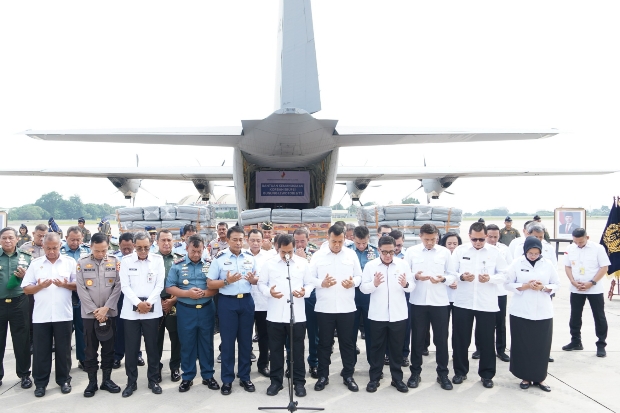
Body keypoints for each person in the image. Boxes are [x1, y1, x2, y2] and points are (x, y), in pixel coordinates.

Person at [450, 222, 508, 389]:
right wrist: (461, 276)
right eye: (474, 239)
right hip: (463, 302)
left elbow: (505, 274)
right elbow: (451, 272)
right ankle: (460, 372)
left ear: (486, 237)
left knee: (487, 340)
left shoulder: (495, 252)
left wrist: (490, 278)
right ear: (469, 236)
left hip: (486, 303)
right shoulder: (461, 251)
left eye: (481, 239)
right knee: (460, 339)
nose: (478, 243)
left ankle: (487, 374)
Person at [21, 232, 77, 397]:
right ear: (42, 246)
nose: (51, 252)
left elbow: (78, 285)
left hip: (63, 314)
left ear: (60, 245)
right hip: (42, 316)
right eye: (48, 248)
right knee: (40, 351)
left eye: (54, 248)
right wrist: (40, 286)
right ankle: (40, 383)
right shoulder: (36, 264)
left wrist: (66, 285)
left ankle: (64, 380)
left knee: (63, 350)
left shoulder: (69, 262)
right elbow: (26, 289)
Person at [259, 235, 314, 397]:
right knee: (275, 351)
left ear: (294, 247)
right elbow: (261, 283)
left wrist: (305, 292)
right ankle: (276, 382)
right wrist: (269, 292)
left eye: (289, 251)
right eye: (283, 252)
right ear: (277, 248)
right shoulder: (269, 264)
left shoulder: (303, 263)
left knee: (297, 350)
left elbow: (310, 283)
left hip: (297, 314)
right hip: (275, 315)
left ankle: (298, 383)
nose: (286, 255)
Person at [310, 224, 362, 393]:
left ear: (345, 239)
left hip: (347, 307)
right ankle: (323, 375)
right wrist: (321, 283)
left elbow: (359, 276)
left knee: (347, 343)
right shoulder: (318, 256)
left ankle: (348, 375)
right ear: (328, 238)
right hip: (325, 308)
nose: (337, 245)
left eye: (340, 241)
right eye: (334, 241)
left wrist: (353, 282)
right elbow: (310, 278)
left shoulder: (351, 254)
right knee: (324, 344)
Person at [207, 226, 258, 395]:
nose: (238, 242)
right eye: (234, 239)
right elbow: (210, 283)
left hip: (246, 302)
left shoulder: (250, 257)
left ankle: (244, 377)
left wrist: (253, 280)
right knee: (228, 344)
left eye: (240, 239)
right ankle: (227, 380)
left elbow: (256, 279)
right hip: (227, 303)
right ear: (227, 240)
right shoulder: (219, 259)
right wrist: (226, 281)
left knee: (246, 342)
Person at [166, 234, 220, 393]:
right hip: (185, 311)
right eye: (193, 251)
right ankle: (187, 377)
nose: (196, 254)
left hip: (206, 309)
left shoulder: (211, 264)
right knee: (187, 344)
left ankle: (208, 375)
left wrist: (203, 293)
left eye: (199, 251)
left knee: (206, 344)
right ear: (187, 248)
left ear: (204, 249)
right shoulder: (177, 265)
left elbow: (216, 287)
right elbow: (169, 287)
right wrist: (187, 293)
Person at [361, 235, 414, 393]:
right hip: (378, 314)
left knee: (396, 349)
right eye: (385, 252)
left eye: (391, 252)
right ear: (378, 250)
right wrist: (374, 284)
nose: (389, 255)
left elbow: (412, 287)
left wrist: (406, 284)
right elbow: (363, 288)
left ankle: (397, 379)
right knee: (376, 347)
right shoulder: (371, 266)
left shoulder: (403, 264)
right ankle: (374, 378)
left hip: (398, 314)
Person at [506, 237, 559, 392]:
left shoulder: (547, 264)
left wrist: (543, 287)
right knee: (523, 345)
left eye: (536, 253)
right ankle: (525, 377)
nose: (533, 256)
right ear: (525, 251)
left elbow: (557, 284)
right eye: (530, 253)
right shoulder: (517, 263)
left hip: (543, 312)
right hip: (521, 311)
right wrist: (526, 286)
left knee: (541, 346)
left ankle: (540, 378)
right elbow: (507, 283)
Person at [404, 224, 454, 390]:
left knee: (441, 340)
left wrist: (443, 279)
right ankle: (415, 373)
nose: (430, 243)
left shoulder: (445, 252)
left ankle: (443, 374)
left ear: (437, 237)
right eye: (427, 239)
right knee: (417, 340)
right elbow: (404, 274)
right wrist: (415, 276)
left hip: (439, 302)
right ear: (420, 236)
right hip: (418, 302)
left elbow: (452, 274)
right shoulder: (411, 252)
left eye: (433, 239)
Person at [119, 231, 166, 397]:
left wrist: (148, 304)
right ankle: (131, 382)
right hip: (131, 313)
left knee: (152, 348)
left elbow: (159, 286)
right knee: (131, 349)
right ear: (133, 246)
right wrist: (138, 303)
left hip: (152, 312)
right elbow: (124, 286)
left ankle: (153, 380)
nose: (143, 251)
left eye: (146, 247)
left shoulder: (158, 260)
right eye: (139, 248)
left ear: (151, 245)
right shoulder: (125, 261)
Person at [75, 233, 122, 397]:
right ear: (90, 246)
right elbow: (81, 289)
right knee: (90, 350)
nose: (101, 254)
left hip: (109, 314)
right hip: (89, 315)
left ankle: (106, 380)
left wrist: (106, 308)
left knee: (109, 349)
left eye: (103, 250)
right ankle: (92, 382)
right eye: (97, 251)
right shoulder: (82, 263)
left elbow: (118, 287)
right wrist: (96, 311)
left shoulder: (115, 262)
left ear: (108, 247)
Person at [562, 228, 610, 357]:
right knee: (575, 316)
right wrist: (572, 280)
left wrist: (592, 282)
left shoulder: (598, 248)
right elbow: (567, 266)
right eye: (576, 241)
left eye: (581, 241)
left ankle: (601, 344)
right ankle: (576, 341)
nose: (578, 244)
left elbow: (604, 267)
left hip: (594, 288)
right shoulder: (570, 248)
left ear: (587, 237)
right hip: (576, 288)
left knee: (599, 316)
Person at [471, 224, 513, 362]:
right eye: (490, 236)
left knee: (500, 323)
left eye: (495, 236)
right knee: (481, 322)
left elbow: (508, 271)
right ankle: (479, 348)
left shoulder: (504, 250)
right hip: (483, 293)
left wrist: (492, 279)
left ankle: (501, 350)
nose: (492, 239)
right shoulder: (477, 248)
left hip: (499, 292)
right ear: (485, 236)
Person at [0, 227, 33, 389]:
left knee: (21, 340)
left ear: (17, 239)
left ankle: (24, 374)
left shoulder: (27, 258)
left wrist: (25, 276)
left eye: (10, 238)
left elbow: (34, 280)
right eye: (4, 238)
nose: (7, 241)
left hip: (19, 303)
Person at [112, 232, 144, 369]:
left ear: (134, 245)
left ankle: (137, 354)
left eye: (129, 248)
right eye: (123, 248)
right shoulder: (113, 259)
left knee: (136, 328)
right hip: (119, 297)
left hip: (136, 298)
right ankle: (118, 355)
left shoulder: (141, 257)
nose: (126, 250)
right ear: (119, 245)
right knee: (119, 328)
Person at [60, 226, 91, 370]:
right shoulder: (59, 250)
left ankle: (83, 358)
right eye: (72, 239)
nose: (75, 242)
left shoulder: (87, 251)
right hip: (63, 293)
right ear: (66, 238)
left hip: (82, 295)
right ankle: (63, 363)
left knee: (81, 328)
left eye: (78, 239)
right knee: (64, 331)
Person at [155, 230, 183, 383]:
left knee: (176, 338)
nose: (166, 243)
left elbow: (185, 282)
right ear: (157, 242)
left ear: (173, 241)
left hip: (174, 302)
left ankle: (175, 367)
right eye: (163, 240)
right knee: (156, 339)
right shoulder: (151, 259)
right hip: (155, 304)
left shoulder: (180, 260)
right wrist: (157, 300)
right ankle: (156, 368)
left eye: (169, 240)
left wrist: (173, 300)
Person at [347, 225, 378, 364]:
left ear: (368, 239)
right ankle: (350, 365)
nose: (361, 246)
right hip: (351, 295)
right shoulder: (347, 251)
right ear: (352, 238)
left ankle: (373, 364)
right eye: (358, 243)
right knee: (350, 332)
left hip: (369, 296)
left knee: (371, 332)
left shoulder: (375, 251)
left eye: (364, 243)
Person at [293, 228, 319, 378]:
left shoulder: (316, 253)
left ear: (308, 239)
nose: (299, 244)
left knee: (314, 332)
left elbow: (313, 275)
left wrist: (303, 260)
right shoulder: (289, 250)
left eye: (302, 240)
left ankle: (314, 363)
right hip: (294, 297)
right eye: (297, 241)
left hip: (310, 296)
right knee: (294, 334)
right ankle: (293, 364)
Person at [247, 229, 271, 377]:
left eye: (258, 240)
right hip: (246, 302)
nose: (255, 243)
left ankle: (263, 365)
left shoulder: (269, 257)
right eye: (252, 240)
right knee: (245, 336)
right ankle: (245, 365)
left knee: (264, 337)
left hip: (264, 303)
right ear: (247, 240)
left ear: (263, 241)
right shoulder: (242, 255)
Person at [388, 229, 412, 366]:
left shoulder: (407, 256)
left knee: (405, 326)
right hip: (388, 294)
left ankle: (404, 354)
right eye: (395, 245)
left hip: (405, 294)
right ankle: (387, 353)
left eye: (399, 245)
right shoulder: (383, 256)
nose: (397, 248)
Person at [439, 232, 462, 317]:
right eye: (449, 244)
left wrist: (457, 281)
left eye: (455, 244)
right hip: (444, 296)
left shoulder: (463, 256)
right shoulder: (440, 256)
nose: (452, 246)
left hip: (458, 297)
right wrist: (448, 281)